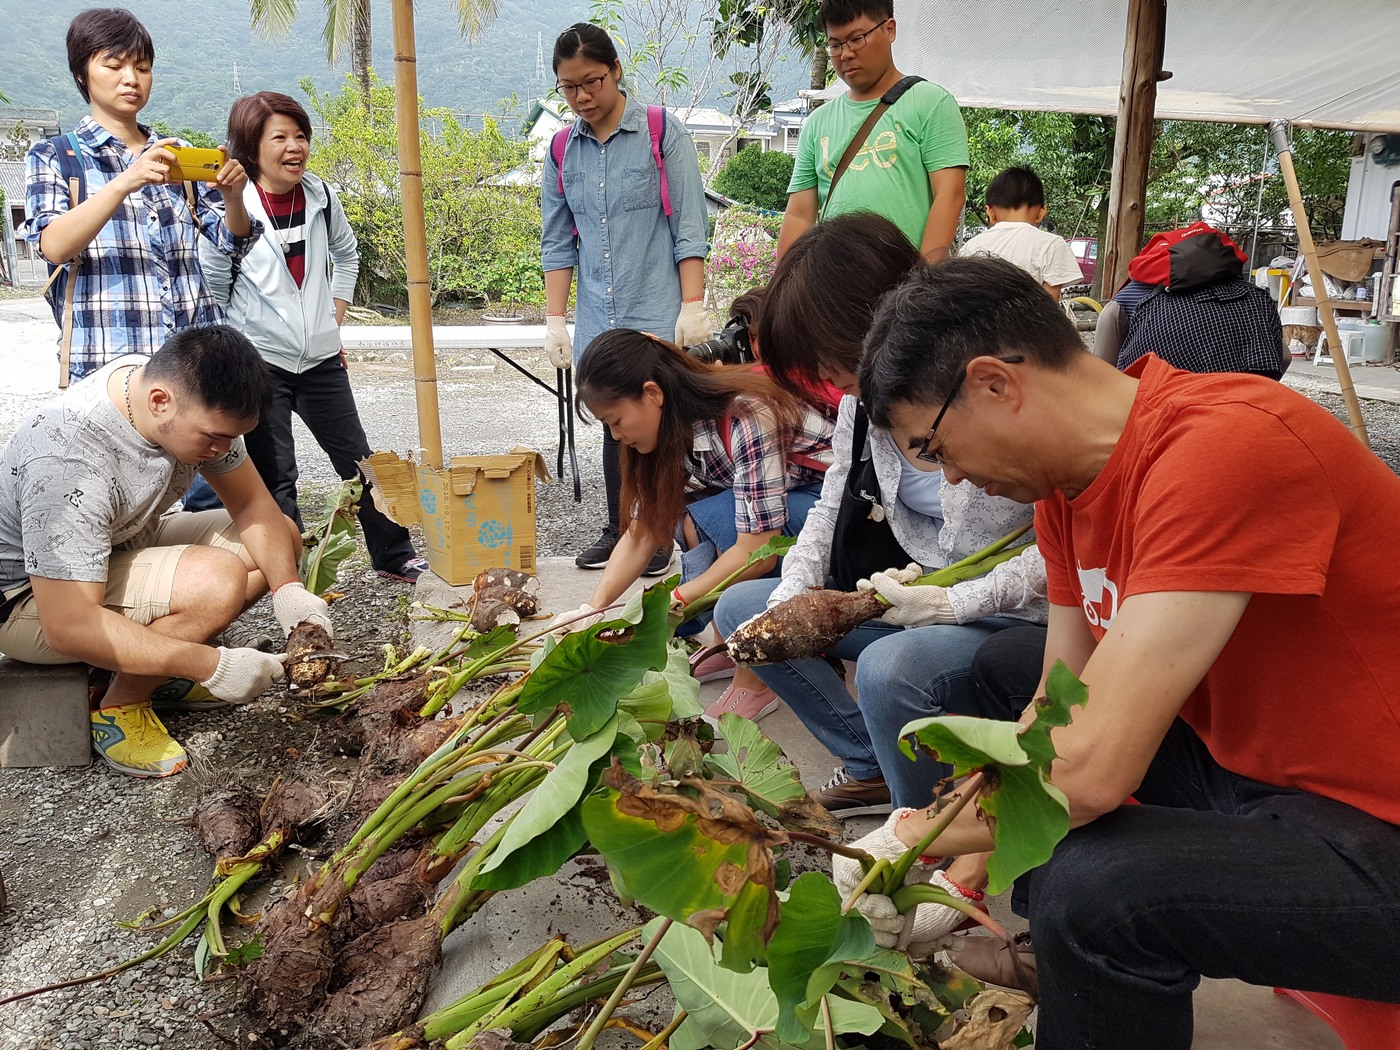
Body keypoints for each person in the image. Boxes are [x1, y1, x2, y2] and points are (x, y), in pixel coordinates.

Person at [837, 255, 1400, 1048]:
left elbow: (1091, 771)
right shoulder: (1068, 494)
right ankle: (1059, 963)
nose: (953, 478)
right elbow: (1052, 704)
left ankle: (1082, 948)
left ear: (996, 383)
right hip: (1274, 780)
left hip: (1379, 820)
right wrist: (960, 870)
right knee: (1001, 672)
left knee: (1100, 891)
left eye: (934, 447)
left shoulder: (1226, 444)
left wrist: (907, 834)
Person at [712, 213, 1045, 813]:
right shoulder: (861, 407)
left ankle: (925, 826)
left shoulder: (985, 395)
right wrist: (794, 589)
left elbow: (1064, 549)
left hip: (1013, 610)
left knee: (889, 668)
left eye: (833, 364)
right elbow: (830, 503)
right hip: (912, 590)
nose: (832, 384)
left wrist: (953, 604)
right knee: (744, 608)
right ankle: (871, 759)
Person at [0, 325, 332, 779]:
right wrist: (212, 664)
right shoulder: (68, 459)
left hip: (112, 547)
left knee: (281, 538)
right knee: (217, 581)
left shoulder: (167, 392)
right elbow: (69, 626)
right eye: (213, 438)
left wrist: (289, 591)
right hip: (28, 602)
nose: (221, 450)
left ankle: (160, 675)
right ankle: (120, 708)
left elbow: (254, 505)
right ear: (160, 401)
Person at [199, 91, 427, 584]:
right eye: (278, 137)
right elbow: (215, 285)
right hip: (261, 367)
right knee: (277, 473)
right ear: (250, 147)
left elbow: (347, 254)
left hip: (322, 359)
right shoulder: (230, 206)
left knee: (358, 461)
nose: (294, 147)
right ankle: (290, 573)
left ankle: (393, 554)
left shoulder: (321, 197)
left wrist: (336, 310)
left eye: (300, 135)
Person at [541, 22, 712, 575]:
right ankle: (621, 530)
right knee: (617, 428)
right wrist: (554, 320)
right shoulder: (562, 149)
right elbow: (557, 241)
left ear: (616, 71)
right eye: (569, 87)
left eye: (592, 81)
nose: (582, 96)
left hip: (658, 311)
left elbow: (689, 227)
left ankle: (662, 531)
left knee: (665, 427)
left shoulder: (664, 133)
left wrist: (692, 305)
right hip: (598, 317)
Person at [549, 330, 833, 641]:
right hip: (789, 505)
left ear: (652, 394)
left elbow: (758, 550)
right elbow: (643, 529)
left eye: (616, 421)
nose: (615, 436)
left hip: (840, 518)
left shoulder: (746, 415)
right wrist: (592, 609)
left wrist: (676, 600)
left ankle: (760, 654)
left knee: (716, 515)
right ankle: (727, 638)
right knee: (687, 515)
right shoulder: (670, 429)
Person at [23, 8, 258, 383]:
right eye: (114, 65)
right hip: (109, 366)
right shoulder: (56, 156)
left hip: (193, 362)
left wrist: (233, 197)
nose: (131, 79)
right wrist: (123, 182)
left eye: (143, 67)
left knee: (209, 443)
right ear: (82, 73)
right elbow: (53, 246)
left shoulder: (176, 152)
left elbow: (233, 242)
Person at [776, 0, 968, 263]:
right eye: (835, 45)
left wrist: (921, 285)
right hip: (834, 287)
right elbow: (799, 214)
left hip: (905, 287)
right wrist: (783, 289)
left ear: (889, 29)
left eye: (857, 39)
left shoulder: (931, 103)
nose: (845, 54)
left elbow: (950, 195)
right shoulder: (818, 122)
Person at [1094, 222, 1289, 379]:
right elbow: (1284, 358)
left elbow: (1102, 375)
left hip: (1160, 410)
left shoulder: (1130, 296)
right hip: (1243, 409)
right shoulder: (1257, 298)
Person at [959, 166, 1084, 298]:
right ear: (1041, 212)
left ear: (990, 212)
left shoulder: (970, 246)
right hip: (1030, 319)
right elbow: (1050, 304)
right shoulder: (1051, 245)